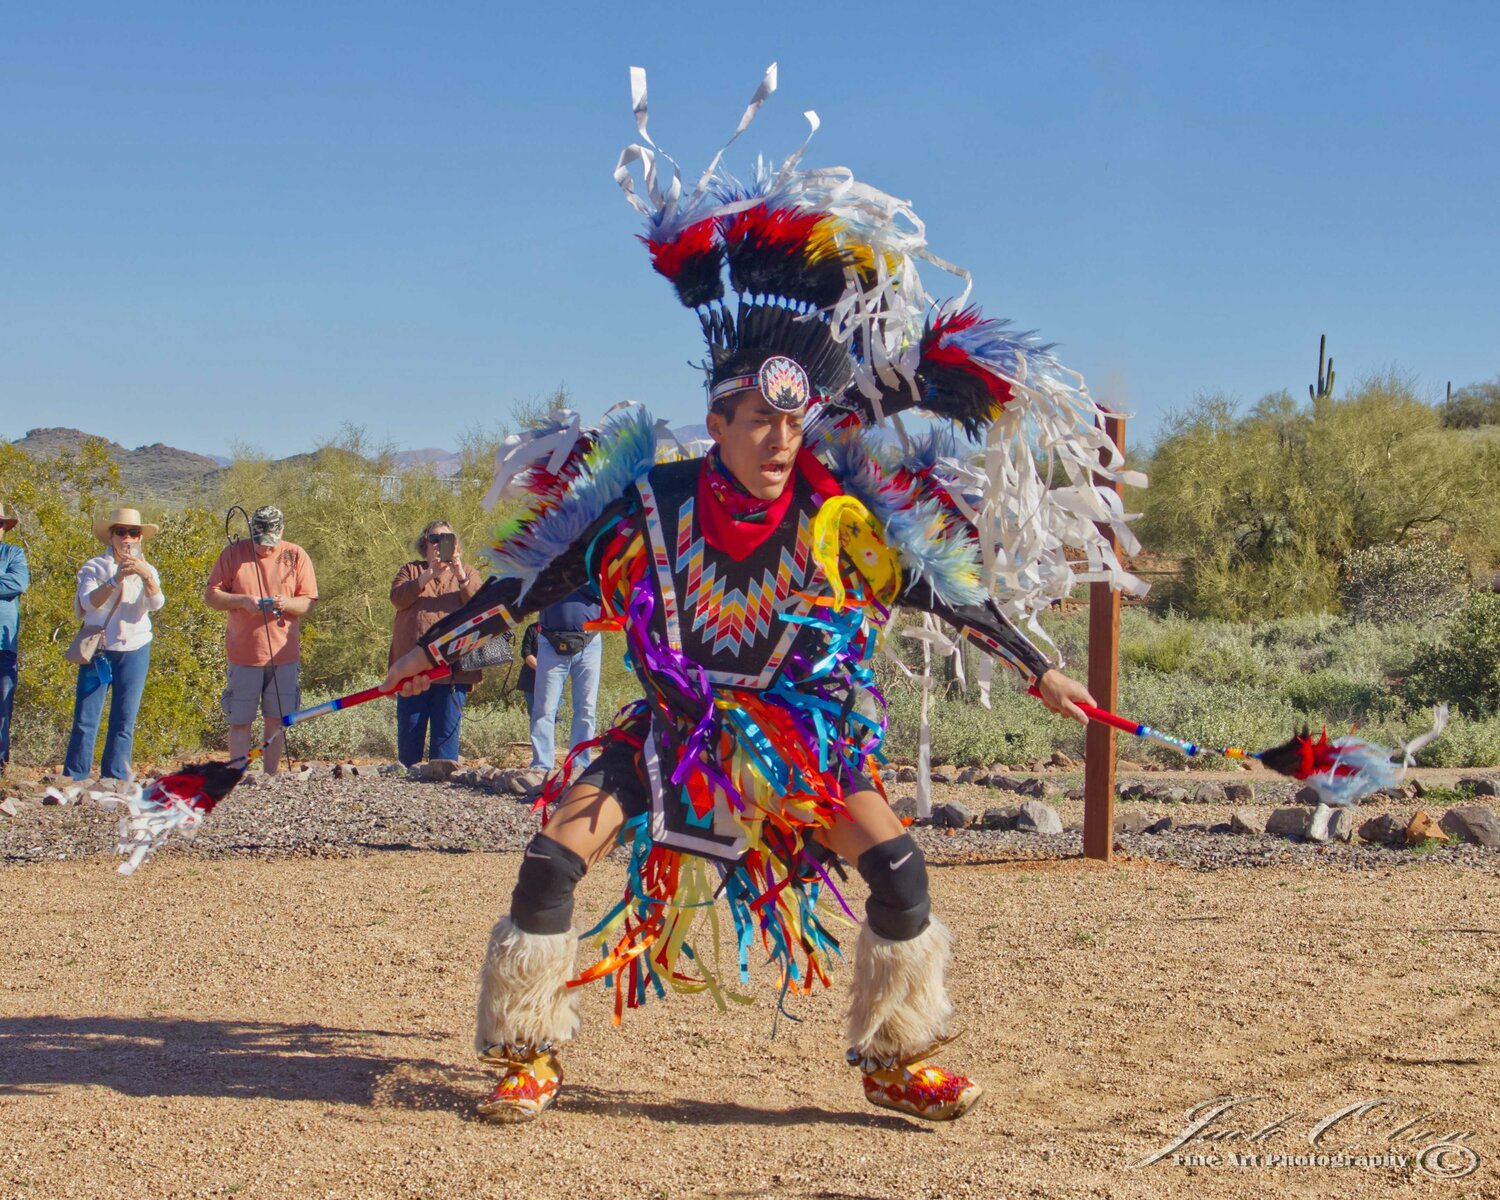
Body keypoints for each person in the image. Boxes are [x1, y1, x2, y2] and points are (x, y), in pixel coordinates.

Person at [386, 67, 1139, 1126]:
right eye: (761, 424)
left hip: (799, 741)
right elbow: (530, 579)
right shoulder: (651, 505)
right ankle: (525, 1047)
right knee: (556, 852)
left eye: (797, 424)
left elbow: (947, 595)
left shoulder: (842, 513)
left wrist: (1044, 668)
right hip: (678, 732)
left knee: (900, 872)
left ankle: (897, 1055)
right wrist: (440, 642)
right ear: (724, 420)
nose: (784, 442)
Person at [204, 506, 317, 775]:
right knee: (240, 719)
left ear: (281, 532)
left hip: (283, 655)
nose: (265, 548)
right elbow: (212, 595)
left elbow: (309, 602)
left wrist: (287, 603)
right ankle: (237, 775)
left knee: (276, 719)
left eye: (270, 543)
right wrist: (242, 601)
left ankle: (270, 776)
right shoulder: (232, 554)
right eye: (259, 541)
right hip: (244, 654)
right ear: (251, 532)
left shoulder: (296, 554)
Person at [63, 507, 164, 784]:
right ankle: (75, 777)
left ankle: (116, 778)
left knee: (124, 718)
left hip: (136, 647)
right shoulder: (94, 567)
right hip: (100, 649)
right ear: (111, 536)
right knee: (86, 717)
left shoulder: (148, 569)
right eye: (121, 532)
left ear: (141, 537)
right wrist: (116, 578)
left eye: (134, 532)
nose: (127, 538)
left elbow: (156, 604)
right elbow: (88, 602)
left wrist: (147, 577)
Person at [389, 520, 482, 766]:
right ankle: (405, 794)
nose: (440, 545)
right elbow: (397, 600)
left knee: (445, 748)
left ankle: (441, 795)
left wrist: (460, 574)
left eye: (446, 539)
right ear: (425, 544)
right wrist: (428, 574)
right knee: (409, 741)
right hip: (412, 669)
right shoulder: (410, 570)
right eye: (434, 539)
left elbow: (481, 607)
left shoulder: (469, 572)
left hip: (453, 670)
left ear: (456, 544)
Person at [527, 587, 602, 775]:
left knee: (586, 708)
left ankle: (580, 765)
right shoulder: (547, 559)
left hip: (589, 642)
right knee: (543, 708)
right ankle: (542, 766)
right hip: (550, 641)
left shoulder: (592, 560)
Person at [0, 502, 29, 778]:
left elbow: (18, 583)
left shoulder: (13, 554)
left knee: (1, 709)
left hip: (3, 646)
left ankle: (1, 769)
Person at [515, 622, 539, 718]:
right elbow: (526, 652)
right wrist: (542, 670)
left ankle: (559, 733)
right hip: (531, 681)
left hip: (554, 680)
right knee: (534, 715)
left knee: (557, 716)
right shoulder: (532, 629)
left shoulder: (559, 628)